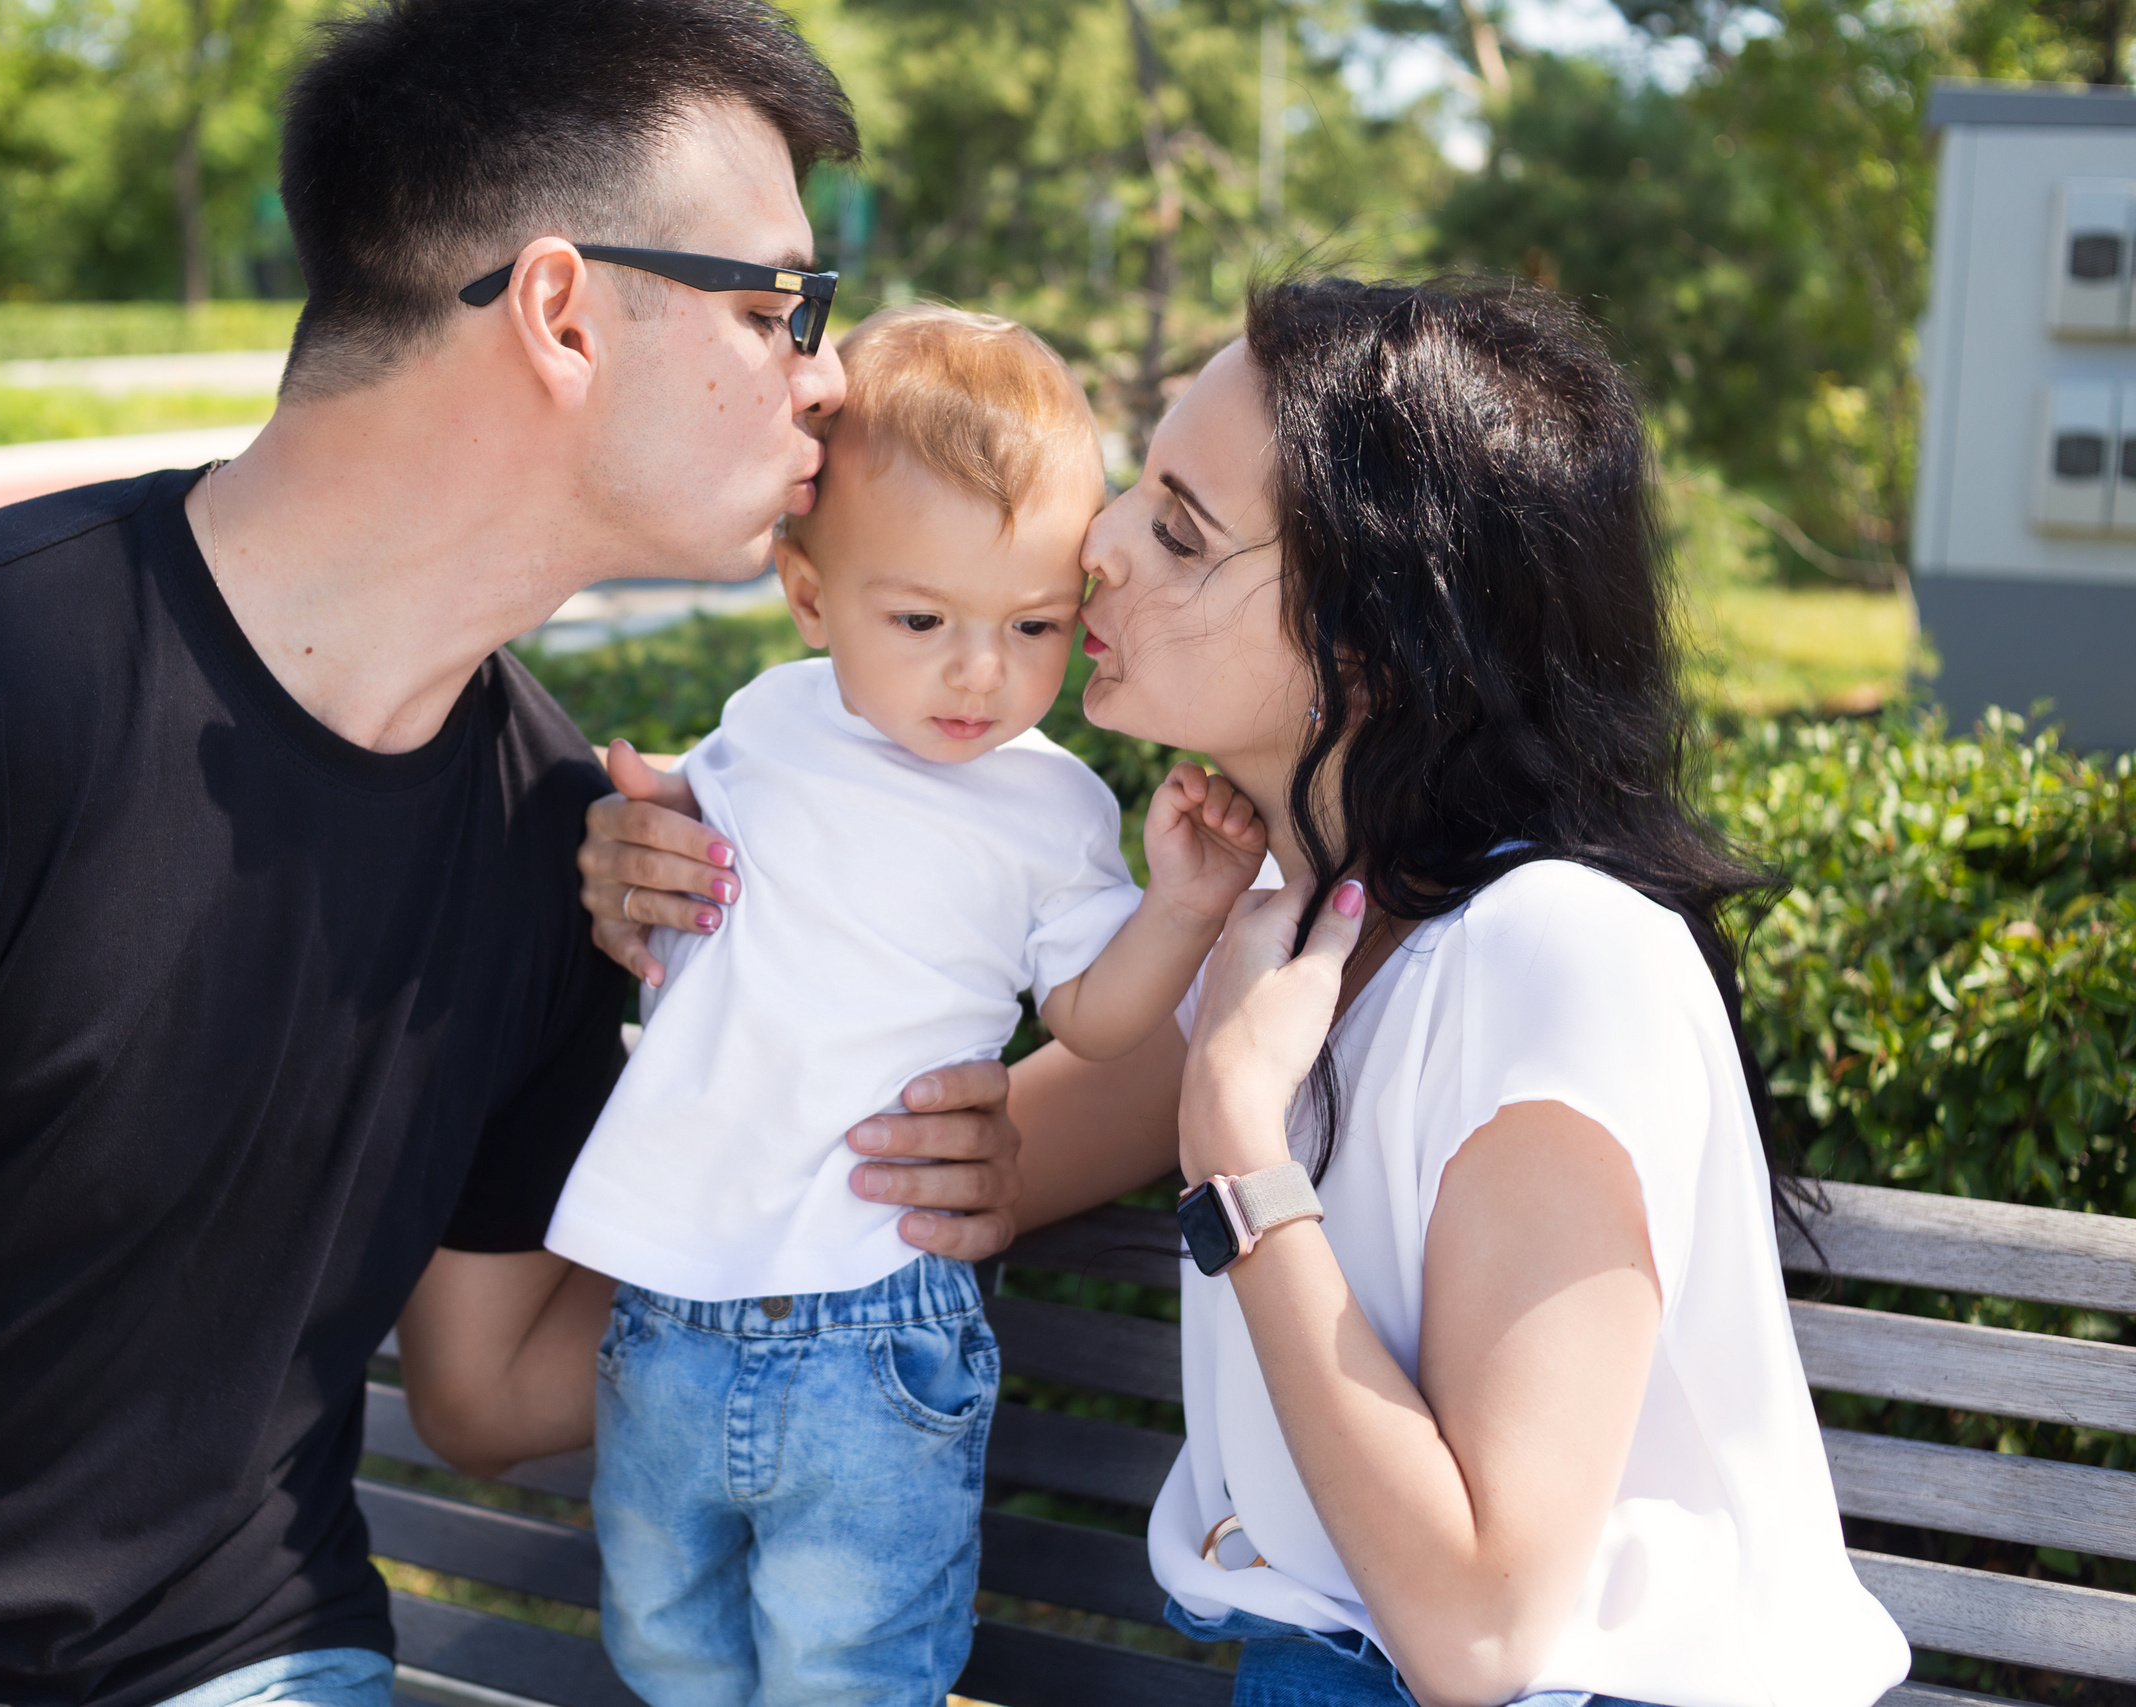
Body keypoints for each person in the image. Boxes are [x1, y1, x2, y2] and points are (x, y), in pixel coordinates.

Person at [0, 6, 1024, 1705]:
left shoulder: (562, 836)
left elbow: (493, 1393)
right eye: (776, 304)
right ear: (560, 314)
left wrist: (1070, 1135)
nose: (827, 373)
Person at [580, 277, 1913, 1707]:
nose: (1092, 545)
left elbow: (1480, 1636)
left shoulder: (1560, 956)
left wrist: (1233, 1142)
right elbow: (946, 1164)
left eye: (1176, 525)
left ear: (1373, 642)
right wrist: (699, 882)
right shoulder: (1266, 936)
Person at [550, 305, 1267, 1706]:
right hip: (669, 1304)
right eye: (923, 619)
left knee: (854, 1666)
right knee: (663, 1645)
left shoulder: (1048, 803)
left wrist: (1181, 907)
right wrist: (622, 832)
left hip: (877, 1322)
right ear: (812, 599)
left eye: (1034, 625)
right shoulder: (762, 719)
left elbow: (1096, 1020)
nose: (980, 673)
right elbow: (669, 835)